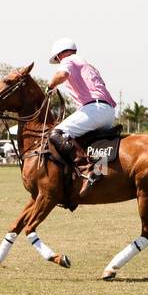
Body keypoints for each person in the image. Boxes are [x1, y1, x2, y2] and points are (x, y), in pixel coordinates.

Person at [45, 38, 117, 200]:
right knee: (97, 143)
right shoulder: (88, 64)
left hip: (94, 109)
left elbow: (62, 74)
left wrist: (50, 86)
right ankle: (98, 174)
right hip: (108, 111)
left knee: (57, 133)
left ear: (59, 55)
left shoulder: (68, 60)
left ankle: (85, 168)